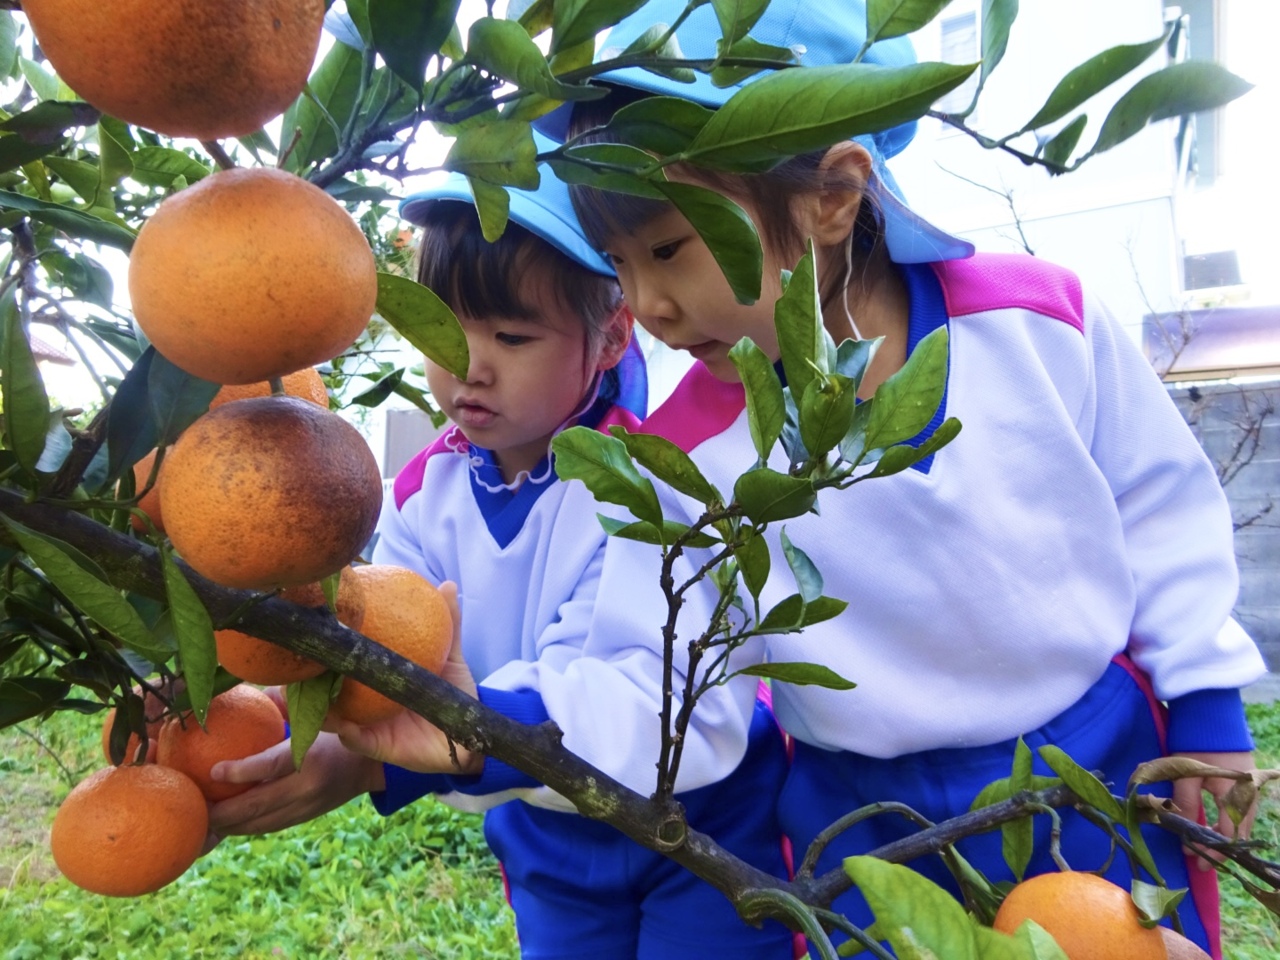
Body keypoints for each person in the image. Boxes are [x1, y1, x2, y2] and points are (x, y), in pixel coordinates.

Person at [323, 2, 1267, 957]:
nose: (647, 303)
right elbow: (664, 687)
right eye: (618, 261)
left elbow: (1160, 509)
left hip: (1094, 762)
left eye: (670, 249)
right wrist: (487, 725)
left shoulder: (1037, 323)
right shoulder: (690, 454)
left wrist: (1207, 702)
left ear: (833, 194)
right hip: (864, 820)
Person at [207, 157, 796, 960]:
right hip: (540, 823)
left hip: (702, 822)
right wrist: (260, 689)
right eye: (443, 333)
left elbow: (625, 685)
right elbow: (381, 641)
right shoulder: (424, 493)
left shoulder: (647, 486)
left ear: (611, 335)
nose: (470, 367)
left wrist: (418, 752)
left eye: (512, 337)